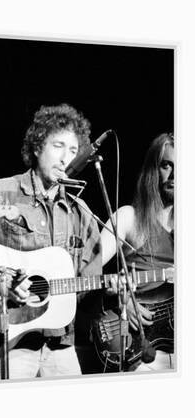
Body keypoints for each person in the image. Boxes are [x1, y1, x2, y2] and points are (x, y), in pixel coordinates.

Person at [0, 103, 102, 379]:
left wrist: (112, 289)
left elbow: (88, 278)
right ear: (38, 146)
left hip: (60, 343)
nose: (66, 158)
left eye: (73, 151)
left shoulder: (81, 211)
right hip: (7, 342)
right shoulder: (1, 192)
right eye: (58, 146)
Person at [100, 133, 174, 371]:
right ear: (153, 170)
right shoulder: (127, 217)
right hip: (140, 345)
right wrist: (123, 299)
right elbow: (84, 273)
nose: (175, 176)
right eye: (166, 165)